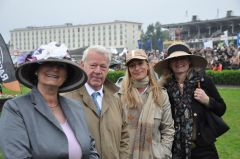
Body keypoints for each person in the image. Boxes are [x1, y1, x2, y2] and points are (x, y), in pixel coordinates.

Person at [0, 42, 99, 159]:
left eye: (61, 65)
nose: (55, 69)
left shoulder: (75, 107)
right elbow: (17, 156)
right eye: (49, 64)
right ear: (36, 70)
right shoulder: (16, 108)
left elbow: (91, 150)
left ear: (67, 74)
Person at [154, 42, 227, 159]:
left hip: (203, 150)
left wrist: (208, 100)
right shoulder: (164, 88)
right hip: (174, 150)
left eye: (182, 58)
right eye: (174, 59)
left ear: (189, 61)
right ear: (169, 64)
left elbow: (221, 109)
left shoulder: (204, 81)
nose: (179, 62)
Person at [64, 45, 129, 159]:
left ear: (108, 69)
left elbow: (125, 137)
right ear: (82, 66)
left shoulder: (117, 98)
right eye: (93, 65)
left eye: (103, 67)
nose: (98, 71)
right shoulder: (67, 99)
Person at [118, 49, 175, 159]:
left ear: (147, 65)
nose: (137, 68)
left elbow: (168, 129)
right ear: (128, 70)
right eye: (132, 66)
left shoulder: (161, 95)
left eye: (140, 63)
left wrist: (163, 153)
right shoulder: (120, 96)